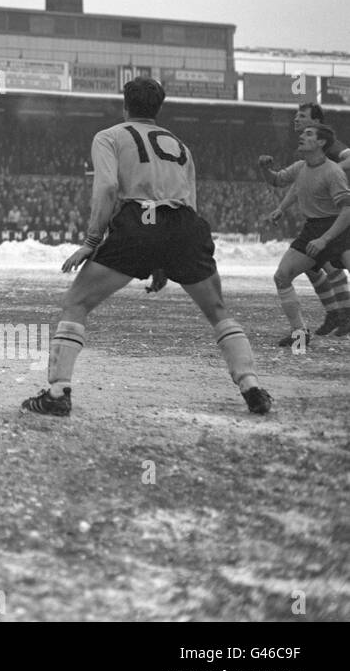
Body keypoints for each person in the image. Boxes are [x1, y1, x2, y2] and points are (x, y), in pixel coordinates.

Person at [20, 77, 271, 418]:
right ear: (158, 107)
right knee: (218, 311)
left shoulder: (110, 136)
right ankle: (251, 386)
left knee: (76, 302)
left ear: (125, 105)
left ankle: (57, 392)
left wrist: (92, 241)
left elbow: (107, 187)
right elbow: (190, 203)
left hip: (139, 222)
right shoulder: (181, 146)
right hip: (185, 227)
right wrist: (164, 260)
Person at [257, 102, 350, 335]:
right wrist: (281, 206)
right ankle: (327, 318)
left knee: (332, 268)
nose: (296, 120)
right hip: (317, 223)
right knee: (300, 271)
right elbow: (294, 181)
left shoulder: (331, 151)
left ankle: (344, 314)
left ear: (317, 126)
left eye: (302, 117)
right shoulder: (304, 160)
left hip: (341, 220)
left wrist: (331, 169)